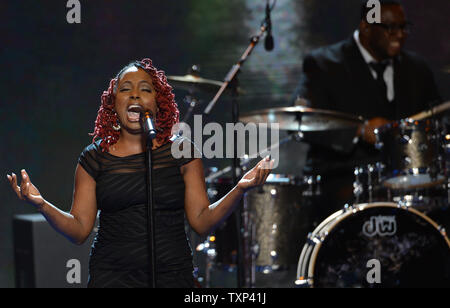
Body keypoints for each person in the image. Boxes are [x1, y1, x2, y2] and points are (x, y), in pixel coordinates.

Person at [6, 58, 274, 288]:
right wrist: (42, 205)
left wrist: (239, 189)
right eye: (126, 89)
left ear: (158, 104)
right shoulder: (94, 158)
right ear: (114, 103)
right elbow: (78, 230)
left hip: (173, 276)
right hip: (112, 279)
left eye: (144, 89)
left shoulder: (183, 153)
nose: (134, 95)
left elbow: (202, 222)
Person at [291, 0, 442, 219]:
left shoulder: (417, 69)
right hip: (342, 186)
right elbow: (301, 120)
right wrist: (358, 131)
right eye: (390, 28)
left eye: (403, 27)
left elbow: (437, 119)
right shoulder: (324, 64)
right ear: (366, 27)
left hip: (409, 189)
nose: (399, 34)